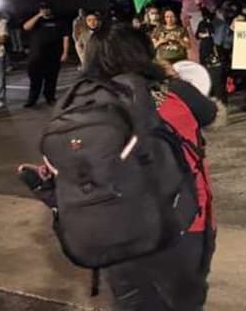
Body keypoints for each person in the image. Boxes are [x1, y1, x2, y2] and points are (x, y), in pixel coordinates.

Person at [17, 24, 216, 310]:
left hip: (113, 227)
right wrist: (174, 73)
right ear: (143, 53)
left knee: (132, 303)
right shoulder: (171, 91)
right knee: (184, 303)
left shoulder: (78, 102)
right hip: (182, 221)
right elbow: (210, 114)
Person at [22, 1, 70, 108]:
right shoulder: (37, 21)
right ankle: (32, 99)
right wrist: (39, 15)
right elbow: (26, 27)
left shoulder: (60, 21)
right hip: (36, 56)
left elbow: (65, 37)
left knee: (51, 79)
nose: (45, 10)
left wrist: (65, 53)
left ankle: (50, 98)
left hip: (53, 55)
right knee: (35, 79)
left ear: (51, 9)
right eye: (42, 8)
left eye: (47, 8)